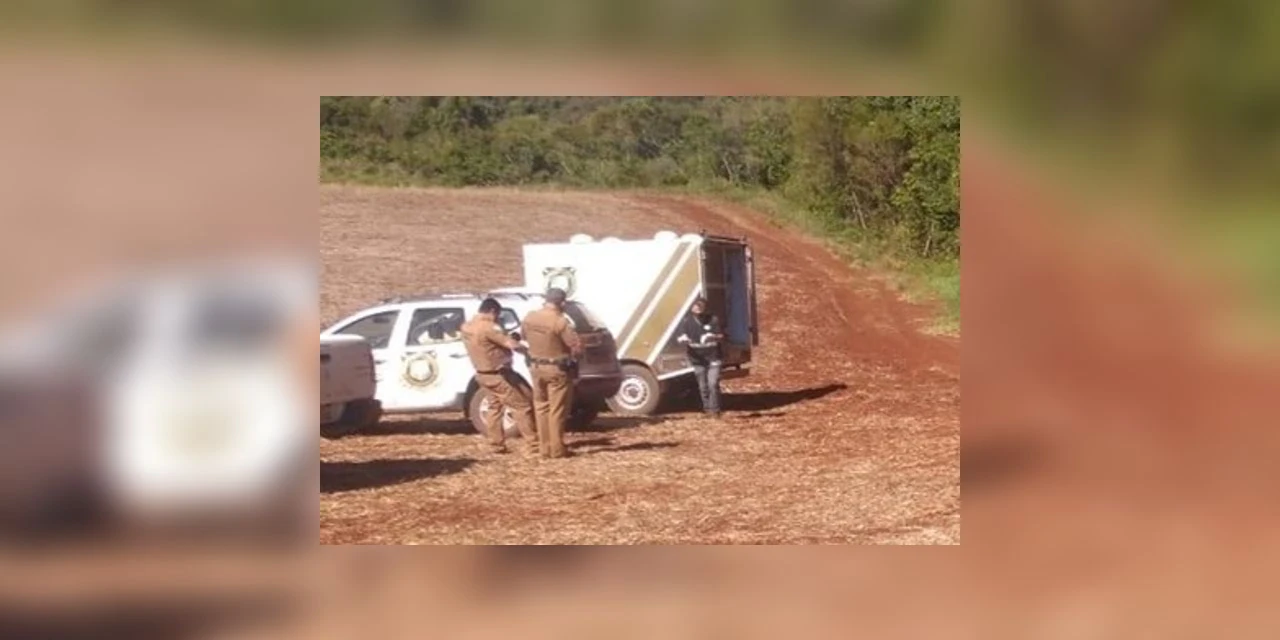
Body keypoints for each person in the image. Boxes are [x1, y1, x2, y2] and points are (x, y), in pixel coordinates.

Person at [460, 298, 536, 454]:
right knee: (521, 406)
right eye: (497, 315)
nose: (497, 318)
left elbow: (489, 343)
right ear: (492, 311)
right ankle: (533, 444)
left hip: (482, 374)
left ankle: (496, 443)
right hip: (498, 374)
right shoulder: (489, 327)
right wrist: (526, 351)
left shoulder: (466, 326)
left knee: (495, 407)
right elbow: (511, 345)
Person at [520, 288, 582, 459]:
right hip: (557, 369)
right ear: (562, 303)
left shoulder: (530, 317)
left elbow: (523, 336)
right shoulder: (560, 322)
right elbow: (575, 347)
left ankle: (544, 448)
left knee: (541, 407)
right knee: (557, 410)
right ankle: (557, 449)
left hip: (535, 368)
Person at [676, 296, 724, 418]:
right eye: (695, 306)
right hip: (697, 359)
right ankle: (707, 409)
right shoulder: (687, 321)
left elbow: (721, 336)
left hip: (713, 357)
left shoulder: (713, 320)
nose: (698, 308)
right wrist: (683, 339)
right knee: (703, 386)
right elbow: (680, 336)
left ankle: (715, 410)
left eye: (700, 306)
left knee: (713, 383)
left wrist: (712, 336)